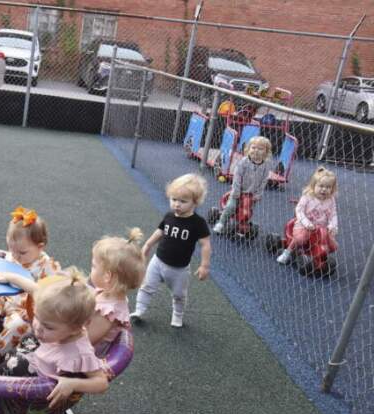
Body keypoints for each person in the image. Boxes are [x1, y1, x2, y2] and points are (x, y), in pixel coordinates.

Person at [0, 268, 109, 411]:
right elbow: (34, 289)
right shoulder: (54, 312)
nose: (38, 326)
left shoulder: (80, 351)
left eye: (48, 327)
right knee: (29, 335)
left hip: (17, 388)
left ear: (76, 328)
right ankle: (0, 365)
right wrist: (10, 277)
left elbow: (101, 382)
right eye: (37, 316)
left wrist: (72, 383)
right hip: (26, 357)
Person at [0, 206, 61, 363]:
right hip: (7, 298)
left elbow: (50, 296)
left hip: (24, 309)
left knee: (19, 325)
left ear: (40, 247)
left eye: (22, 253)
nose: (16, 256)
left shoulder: (47, 266)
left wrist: (36, 312)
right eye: (11, 249)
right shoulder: (14, 255)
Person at [131, 174, 212, 328]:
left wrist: (204, 265)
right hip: (158, 261)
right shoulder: (169, 216)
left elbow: (205, 244)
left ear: (195, 202)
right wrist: (148, 245)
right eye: (174, 199)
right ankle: (139, 310)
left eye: (183, 201)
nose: (177, 204)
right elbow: (160, 231)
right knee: (146, 286)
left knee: (179, 295)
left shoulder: (197, 223)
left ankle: (177, 316)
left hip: (179, 269)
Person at [88, 228, 146, 352]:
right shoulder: (108, 293)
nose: (91, 269)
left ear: (107, 276)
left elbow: (86, 341)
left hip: (79, 362)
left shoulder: (108, 313)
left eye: (93, 266)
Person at [277, 167, 338, 264]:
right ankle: (287, 253)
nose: (324, 190)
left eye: (328, 187)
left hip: (320, 229)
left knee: (333, 246)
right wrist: (306, 223)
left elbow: (333, 215)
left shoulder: (330, 200)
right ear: (314, 186)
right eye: (321, 186)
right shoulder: (307, 196)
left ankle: (317, 256)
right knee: (300, 239)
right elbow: (299, 210)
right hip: (303, 225)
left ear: (332, 189)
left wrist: (333, 226)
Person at [213, 136, 272, 234]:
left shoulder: (266, 166)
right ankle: (221, 222)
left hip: (251, 194)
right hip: (238, 191)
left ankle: (243, 224)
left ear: (266, 152)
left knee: (247, 211)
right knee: (231, 207)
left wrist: (258, 194)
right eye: (253, 148)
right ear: (248, 149)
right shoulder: (244, 162)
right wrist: (236, 190)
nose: (256, 151)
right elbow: (237, 176)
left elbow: (263, 181)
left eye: (260, 149)